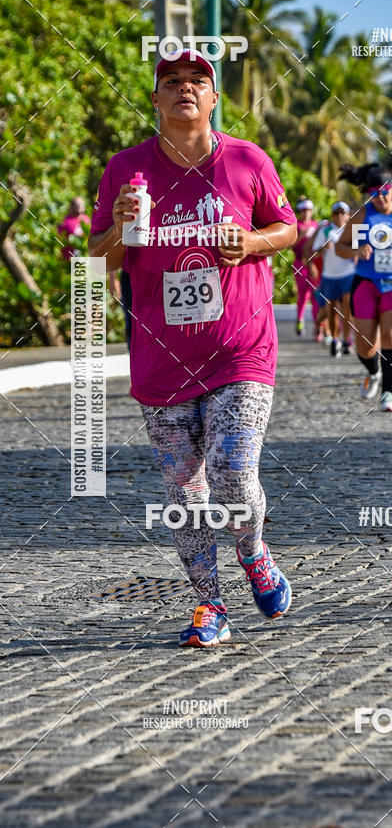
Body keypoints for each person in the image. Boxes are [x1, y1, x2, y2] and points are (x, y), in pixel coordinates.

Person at [89, 48, 296, 647]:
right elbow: (99, 258)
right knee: (185, 490)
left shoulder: (247, 160)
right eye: (171, 81)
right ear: (155, 100)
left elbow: (287, 230)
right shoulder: (127, 170)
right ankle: (210, 604)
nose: (185, 88)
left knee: (233, 473)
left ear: (213, 99)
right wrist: (118, 228)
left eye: (197, 81)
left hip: (240, 349)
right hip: (160, 357)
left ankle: (253, 549)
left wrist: (251, 242)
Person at [336, 163, 392, 413]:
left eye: (384, 191)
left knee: (391, 337)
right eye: (374, 193)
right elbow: (339, 247)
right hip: (365, 283)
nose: (379, 197)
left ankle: (388, 393)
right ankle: (373, 371)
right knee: (365, 346)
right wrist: (356, 250)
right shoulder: (362, 215)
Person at [308, 201, 355, 357]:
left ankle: (347, 340)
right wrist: (323, 248)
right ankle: (335, 339)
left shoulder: (353, 230)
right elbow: (314, 253)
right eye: (337, 213)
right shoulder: (326, 230)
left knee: (347, 309)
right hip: (330, 275)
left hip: (348, 273)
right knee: (332, 310)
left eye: (343, 213)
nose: (340, 216)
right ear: (332, 215)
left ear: (348, 215)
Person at [291, 198, 320, 337]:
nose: (306, 213)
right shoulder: (296, 225)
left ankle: (318, 326)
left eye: (308, 210)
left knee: (315, 296)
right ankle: (300, 320)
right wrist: (301, 234)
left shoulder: (316, 225)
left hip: (314, 264)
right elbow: (290, 245)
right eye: (303, 210)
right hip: (299, 264)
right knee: (303, 295)